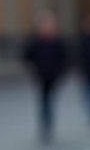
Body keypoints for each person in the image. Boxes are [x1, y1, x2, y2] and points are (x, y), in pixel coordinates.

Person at [22, 11, 68, 141]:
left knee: (49, 98)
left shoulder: (57, 41)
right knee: (44, 99)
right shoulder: (35, 41)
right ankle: (45, 123)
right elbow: (27, 55)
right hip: (41, 74)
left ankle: (48, 122)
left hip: (53, 75)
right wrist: (33, 67)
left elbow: (64, 56)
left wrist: (61, 70)